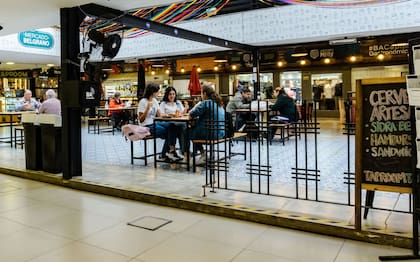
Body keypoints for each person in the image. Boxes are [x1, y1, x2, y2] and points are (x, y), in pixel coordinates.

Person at [138, 83, 182, 162]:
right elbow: (140, 120)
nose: (158, 93)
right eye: (157, 91)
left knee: (172, 126)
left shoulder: (154, 101)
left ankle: (168, 153)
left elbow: (160, 115)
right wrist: (147, 109)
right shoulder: (143, 102)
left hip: (154, 123)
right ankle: (167, 153)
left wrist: (170, 115)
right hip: (146, 125)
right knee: (169, 132)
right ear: (152, 92)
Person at [189, 83, 225, 165]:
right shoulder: (218, 103)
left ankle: (198, 154)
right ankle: (201, 154)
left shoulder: (206, 103)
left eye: (201, 93)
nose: (201, 95)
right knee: (194, 131)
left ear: (204, 94)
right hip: (221, 132)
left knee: (186, 131)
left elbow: (192, 114)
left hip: (211, 133)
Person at [159, 87, 189, 160]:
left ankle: (179, 151)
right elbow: (161, 114)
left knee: (183, 128)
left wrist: (185, 109)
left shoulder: (178, 102)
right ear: (167, 95)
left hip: (177, 122)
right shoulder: (163, 103)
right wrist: (170, 114)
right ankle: (183, 151)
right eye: (170, 94)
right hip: (166, 122)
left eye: (173, 94)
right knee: (178, 128)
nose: (172, 96)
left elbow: (182, 113)